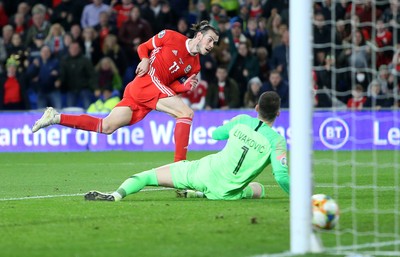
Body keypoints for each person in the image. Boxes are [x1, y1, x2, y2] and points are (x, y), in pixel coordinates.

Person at [32, 20, 220, 162]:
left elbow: (171, 88)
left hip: (149, 92)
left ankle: (55, 117)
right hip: (146, 82)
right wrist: (144, 59)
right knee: (186, 113)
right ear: (199, 36)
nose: (211, 45)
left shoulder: (194, 67)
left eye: (214, 43)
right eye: (210, 40)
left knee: (106, 126)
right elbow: (143, 47)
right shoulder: (171, 36)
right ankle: (180, 167)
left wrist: (185, 87)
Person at [84, 91, 290, 201]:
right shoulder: (277, 141)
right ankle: (200, 194)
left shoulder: (242, 120)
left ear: (256, 108)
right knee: (258, 189)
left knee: (147, 176)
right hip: (227, 193)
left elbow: (216, 134)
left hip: (203, 172)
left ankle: (117, 195)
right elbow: (281, 176)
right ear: (278, 113)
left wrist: (229, 127)